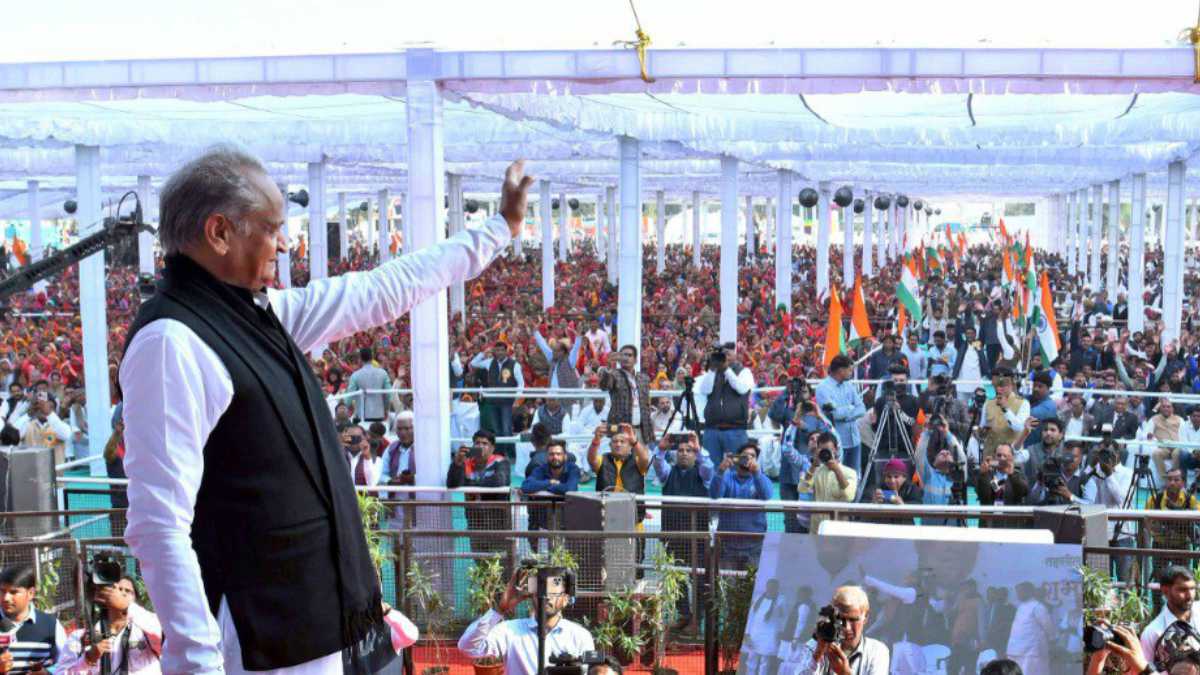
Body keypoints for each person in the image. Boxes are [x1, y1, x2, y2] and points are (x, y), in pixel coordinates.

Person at [120, 149, 533, 673]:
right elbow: (159, 524)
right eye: (272, 228)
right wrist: (198, 664)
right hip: (264, 638)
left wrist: (499, 229)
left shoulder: (256, 314)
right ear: (219, 231)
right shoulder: (170, 342)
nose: (284, 244)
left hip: (316, 624)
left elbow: (379, 290)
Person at [457, 567, 595, 675]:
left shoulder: (580, 636)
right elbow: (467, 648)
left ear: (565, 599)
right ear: (531, 595)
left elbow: (591, 669)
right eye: (542, 590)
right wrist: (499, 610)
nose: (547, 597)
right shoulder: (509, 631)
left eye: (554, 592)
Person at [652, 431, 713, 628]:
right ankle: (684, 615)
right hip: (673, 535)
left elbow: (709, 468)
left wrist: (699, 449)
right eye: (680, 450)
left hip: (698, 537)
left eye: (689, 450)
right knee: (676, 578)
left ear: (695, 454)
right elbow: (658, 465)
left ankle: (698, 619)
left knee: (699, 578)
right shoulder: (668, 473)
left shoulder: (703, 474)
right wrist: (661, 449)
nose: (684, 453)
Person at [60, 576, 162, 674]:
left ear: (135, 599)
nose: (121, 593)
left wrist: (128, 607)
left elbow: (166, 637)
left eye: (127, 591)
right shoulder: (80, 637)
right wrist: (88, 660)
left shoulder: (146, 630)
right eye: (115, 589)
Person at [792, 585, 890, 675]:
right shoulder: (815, 645)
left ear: (865, 618)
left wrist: (845, 673)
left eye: (853, 620)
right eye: (841, 619)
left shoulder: (876, 651)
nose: (847, 627)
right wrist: (817, 656)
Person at [448, 430, 513, 559]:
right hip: (475, 524)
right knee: (480, 563)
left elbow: (499, 481)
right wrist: (457, 463)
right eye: (477, 443)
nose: (480, 446)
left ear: (492, 448)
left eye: (485, 443)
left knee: (500, 565)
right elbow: (452, 484)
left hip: (499, 525)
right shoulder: (466, 463)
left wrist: (470, 484)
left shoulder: (501, 462)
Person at [710, 442, 773, 568]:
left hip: (755, 544)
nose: (748, 459)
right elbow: (715, 495)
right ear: (737, 458)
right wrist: (721, 471)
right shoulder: (727, 477)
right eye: (745, 456)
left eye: (752, 456)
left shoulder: (762, 478)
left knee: (754, 581)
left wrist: (757, 473)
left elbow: (766, 495)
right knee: (726, 580)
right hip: (727, 544)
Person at [1082, 446, 1136, 580]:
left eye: (1109, 452)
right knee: (1100, 579)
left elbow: (1122, 499)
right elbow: (1082, 485)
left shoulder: (1128, 473)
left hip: (1122, 533)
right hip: (1099, 532)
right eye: (1103, 453)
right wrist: (1091, 465)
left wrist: (1109, 475)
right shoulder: (1096, 472)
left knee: (1125, 579)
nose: (1106, 456)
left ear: (1117, 454)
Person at [0, 565, 68, 673]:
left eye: (13, 592)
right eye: (2, 591)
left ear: (31, 593)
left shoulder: (51, 625)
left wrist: (46, 672)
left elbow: (66, 665)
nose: (6, 598)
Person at [815, 355, 867, 475]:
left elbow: (862, 409)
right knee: (835, 477)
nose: (851, 373)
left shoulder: (849, 385)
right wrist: (850, 408)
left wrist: (846, 414)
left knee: (854, 477)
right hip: (836, 443)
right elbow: (835, 415)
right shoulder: (822, 388)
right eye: (850, 370)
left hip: (854, 440)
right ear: (841, 370)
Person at [1145, 469, 1200, 582]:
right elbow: (1145, 521)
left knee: (1182, 579)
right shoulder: (1155, 499)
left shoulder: (1190, 499)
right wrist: (1153, 531)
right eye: (1169, 479)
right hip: (1160, 544)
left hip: (1182, 545)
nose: (1172, 482)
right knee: (1159, 580)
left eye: (1176, 479)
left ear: (1183, 482)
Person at [471, 341, 525, 452]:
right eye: (497, 350)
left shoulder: (514, 364)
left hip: (507, 402)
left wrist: (517, 399)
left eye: (502, 350)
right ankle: (500, 453)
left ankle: (511, 454)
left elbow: (521, 383)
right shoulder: (489, 362)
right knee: (497, 430)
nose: (499, 352)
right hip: (493, 401)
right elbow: (473, 363)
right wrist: (483, 353)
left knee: (506, 429)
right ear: (494, 351)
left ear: (506, 351)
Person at [597, 345, 656, 447]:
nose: (626, 358)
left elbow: (646, 406)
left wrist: (650, 431)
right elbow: (604, 386)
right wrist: (609, 366)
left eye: (629, 355)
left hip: (641, 430)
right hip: (620, 430)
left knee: (641, 457)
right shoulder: (614, 375)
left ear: (635, 360)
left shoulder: (643, 378)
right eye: (623, 355)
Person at [1142, 567, 1200, 666]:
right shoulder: (1152, 633)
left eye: (1192, 588)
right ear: (1165, 591)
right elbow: (1144, 668)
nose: (1190, 596)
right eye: (1182, 590)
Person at [520, 439, 580, 532]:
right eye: (551, 454)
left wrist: (548, 488)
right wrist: (549, 482)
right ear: (547, 456)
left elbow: (570, 489)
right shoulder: (540, 469)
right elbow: (525, 486)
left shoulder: (573, 469)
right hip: (542, 519)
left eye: (558, 454)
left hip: (566, 519)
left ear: (565, 456)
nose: (555, 457)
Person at [804, 432, 857, 534]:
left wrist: (836, 470)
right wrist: (813, 465)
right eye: (822, 450)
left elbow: (849, 496)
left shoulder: (850, 473)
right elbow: (802, 488)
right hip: (816, 529)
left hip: (839, 530)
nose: (825, 453)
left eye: (828, 450)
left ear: (836, 449)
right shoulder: (815, 471)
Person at [977, 374, 1030, 462]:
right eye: (998, 385)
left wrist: (1005, 409)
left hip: (1010, 457)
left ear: (1012, 386)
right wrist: (981, 432)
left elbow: (1019, 427)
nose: (1000, 388)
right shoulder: (988, 403)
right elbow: (982, 426)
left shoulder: (1023, 403)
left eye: (1004, 385)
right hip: (990, 456)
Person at [1005, 582, 1053, 675]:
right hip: (1016, 650)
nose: (1018, 594)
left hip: (1031, 651)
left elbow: (1048, 626)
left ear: (1029, 591)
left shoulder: (1037, 607)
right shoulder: (1021, 607)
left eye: (1021, 591)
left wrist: (1052, 638)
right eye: (1017, 592)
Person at [19, 393, 71, 465]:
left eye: (49, 407)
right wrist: (28, 414)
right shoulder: (27, 425)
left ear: (55, 409)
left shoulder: (60, 425)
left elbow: (66, 435)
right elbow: (13, 436)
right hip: (32, 469)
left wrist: (49, 413)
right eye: (39, 407)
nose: (43, 409)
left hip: (55, 470)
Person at [346, 347, 392, 423]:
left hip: (361, 414)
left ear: (360, 359)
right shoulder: (383, 373)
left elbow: (349, 398)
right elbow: (389, 394)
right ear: (372, 357)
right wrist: (386, 408)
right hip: (378, 413)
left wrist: (344, 408)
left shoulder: (355, 375)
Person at [1147, 399, 1186, 479]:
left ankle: (1174, 476)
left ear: (1172, 409)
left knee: (1176, 453)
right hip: (1163, 447)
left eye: (1168, 407)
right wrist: (1150, 436)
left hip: (1177, 446)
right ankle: (1164, 478)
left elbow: (1184, 435)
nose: (1166, 409)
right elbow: (1147, 433)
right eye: (1163, 407)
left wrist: (1180, 444)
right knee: (1156, 453)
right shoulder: (1154, 419)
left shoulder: (1179, 419)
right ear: (1160, 408)